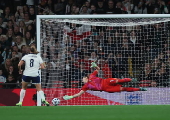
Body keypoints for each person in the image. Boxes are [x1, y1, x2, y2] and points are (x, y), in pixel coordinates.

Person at [63, 62, 147, 100]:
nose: (82, 80)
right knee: (123, 89)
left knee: (119, 81)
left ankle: (132, 79)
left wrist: (95, 66)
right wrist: (70, 97)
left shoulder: (92, 76)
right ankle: (140, 89)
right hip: (106, 89)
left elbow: (98, 69)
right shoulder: (86, 87)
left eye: (83, 79)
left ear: (86, 78)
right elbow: (79, 94)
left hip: (106, 81)